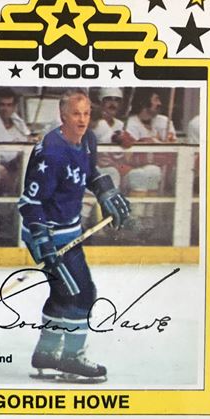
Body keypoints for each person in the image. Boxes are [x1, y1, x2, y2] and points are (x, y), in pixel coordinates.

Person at [18, 90, 131, 380]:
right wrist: (43, 241)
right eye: (76, 114)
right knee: (81, 294)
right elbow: (29, 204)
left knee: (63, 293)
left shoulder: (88, 140)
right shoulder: (51, 152)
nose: (82, 120)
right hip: (46, 234)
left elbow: (88, 172)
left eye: (86, 113)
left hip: (69, 232)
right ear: (63, 116)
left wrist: (105, 191)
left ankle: (46, 354)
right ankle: (71, 359)